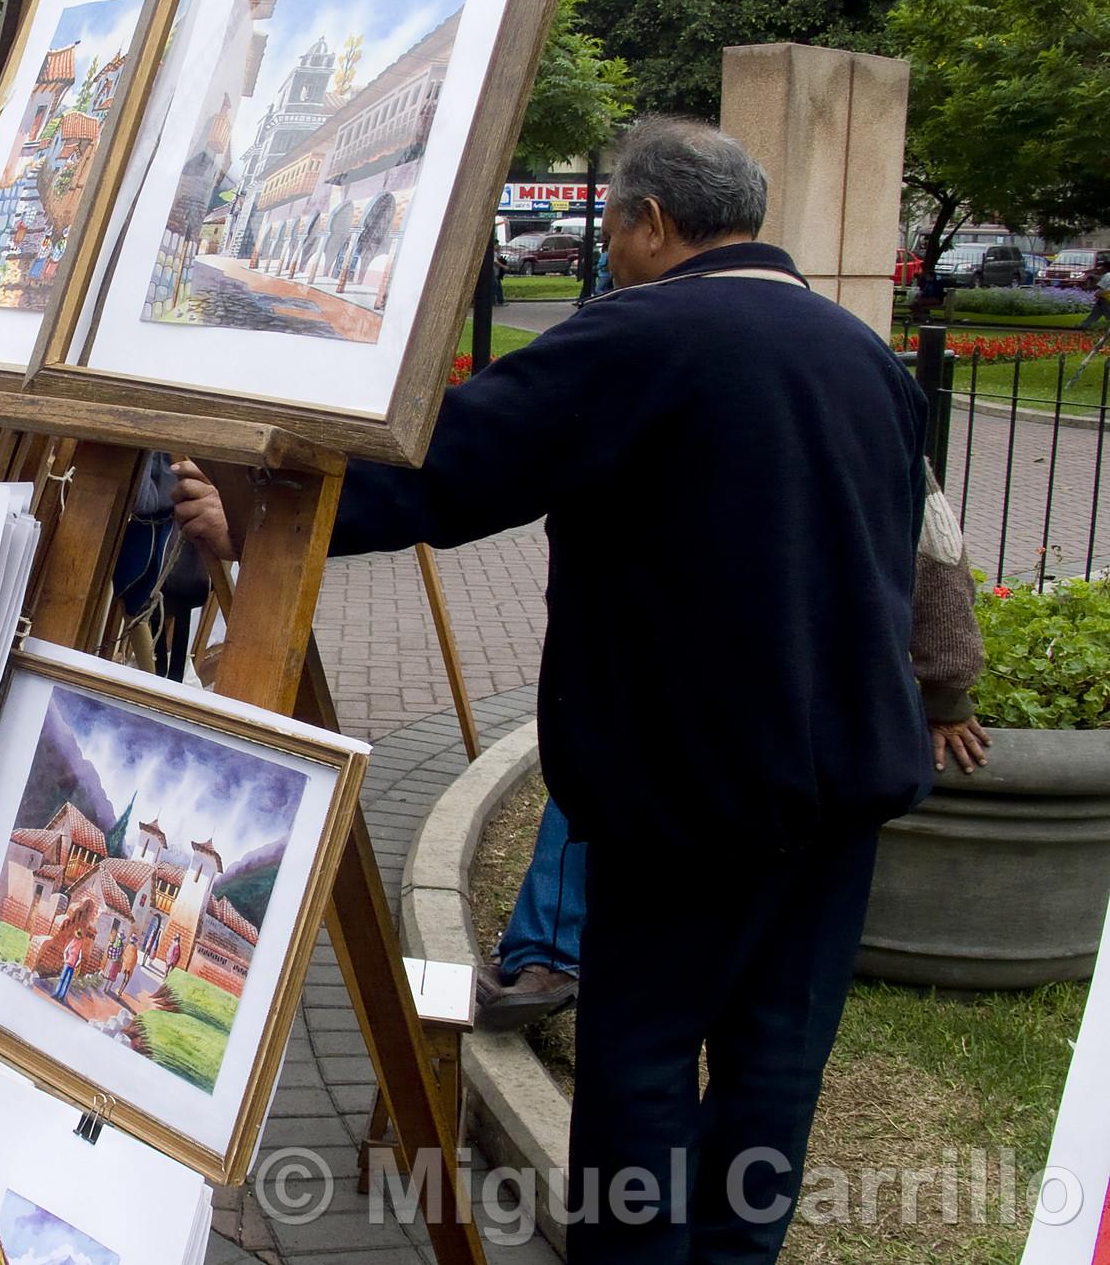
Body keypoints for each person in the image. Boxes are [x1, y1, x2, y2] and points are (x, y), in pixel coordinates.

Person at [178, 117, 931, 1262]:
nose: (607, 252)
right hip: (839, 780)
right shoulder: (859, 351)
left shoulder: (640, 332)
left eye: (613, 227)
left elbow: (459, 464)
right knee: (775, 1061)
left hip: (688, 785)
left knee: (639, 1059)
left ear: (649, 221)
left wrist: (267, 516)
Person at [475, 460, 993, 1033]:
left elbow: (934, 545)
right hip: (680, 656)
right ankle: (550, 953)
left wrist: (947, 688)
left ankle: (574, 956)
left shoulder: (863, 394)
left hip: (800, 680)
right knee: (605, 764)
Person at [1084, 267, 1110, 332]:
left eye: (1102, 268)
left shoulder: (1107, 275)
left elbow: (1100, 286)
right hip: (1104, 297)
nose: (1100, 269)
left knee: (1097, 314)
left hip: (1106, 297)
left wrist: (1088, 288)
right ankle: (1084, 326)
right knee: (1096, 313)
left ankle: (1084, 326)